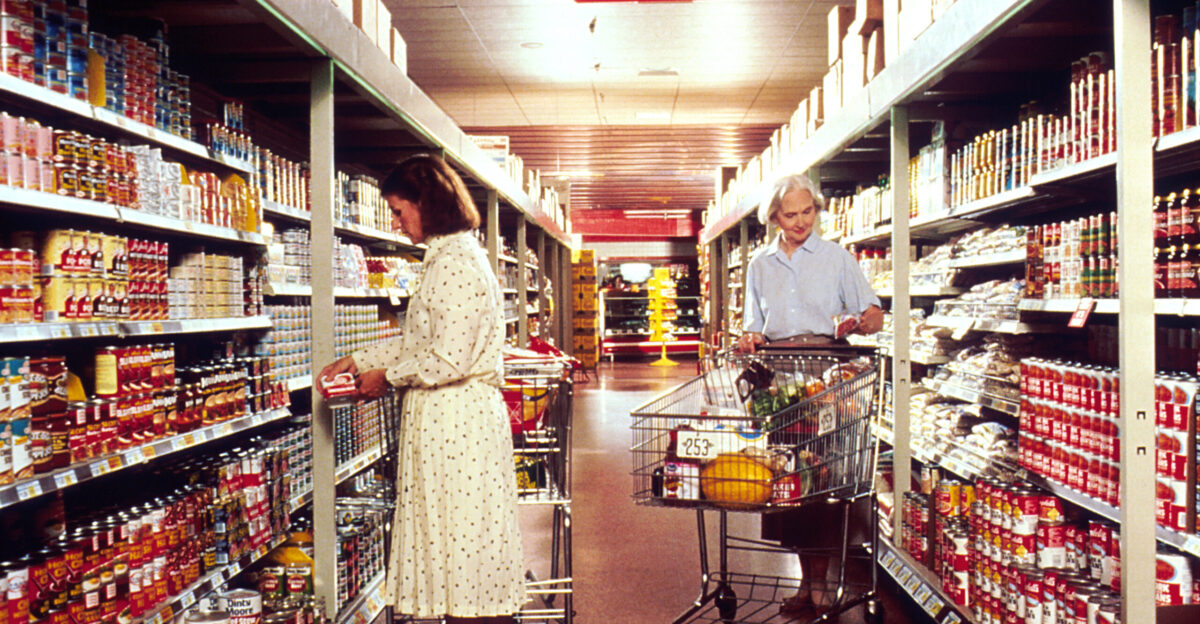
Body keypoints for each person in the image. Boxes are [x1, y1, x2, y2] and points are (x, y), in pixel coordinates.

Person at [318, 155, 525, 624]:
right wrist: (359, 360)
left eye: (398, 210)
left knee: (466, 551)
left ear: (426, 203)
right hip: (446, 429)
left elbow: (447, 358)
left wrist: (385, 378)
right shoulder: (448, 259)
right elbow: (421, 341)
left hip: (457, 429)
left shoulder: (457, 265)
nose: (395, 220)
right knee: (456, 550)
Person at [734, 172, 882, 616]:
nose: (801, 222)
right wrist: (751, 340)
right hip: (780, 380)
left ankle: (824, 583)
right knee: (788, 481)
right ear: (774, 217)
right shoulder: (760, 265)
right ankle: (806, 580)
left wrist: (860, 321)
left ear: (816, 210)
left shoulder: (838, 258)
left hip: (829, 375)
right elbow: (753, 326)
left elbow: (873, 313)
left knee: (824, 476)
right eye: (790, 214)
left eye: (808, 212)